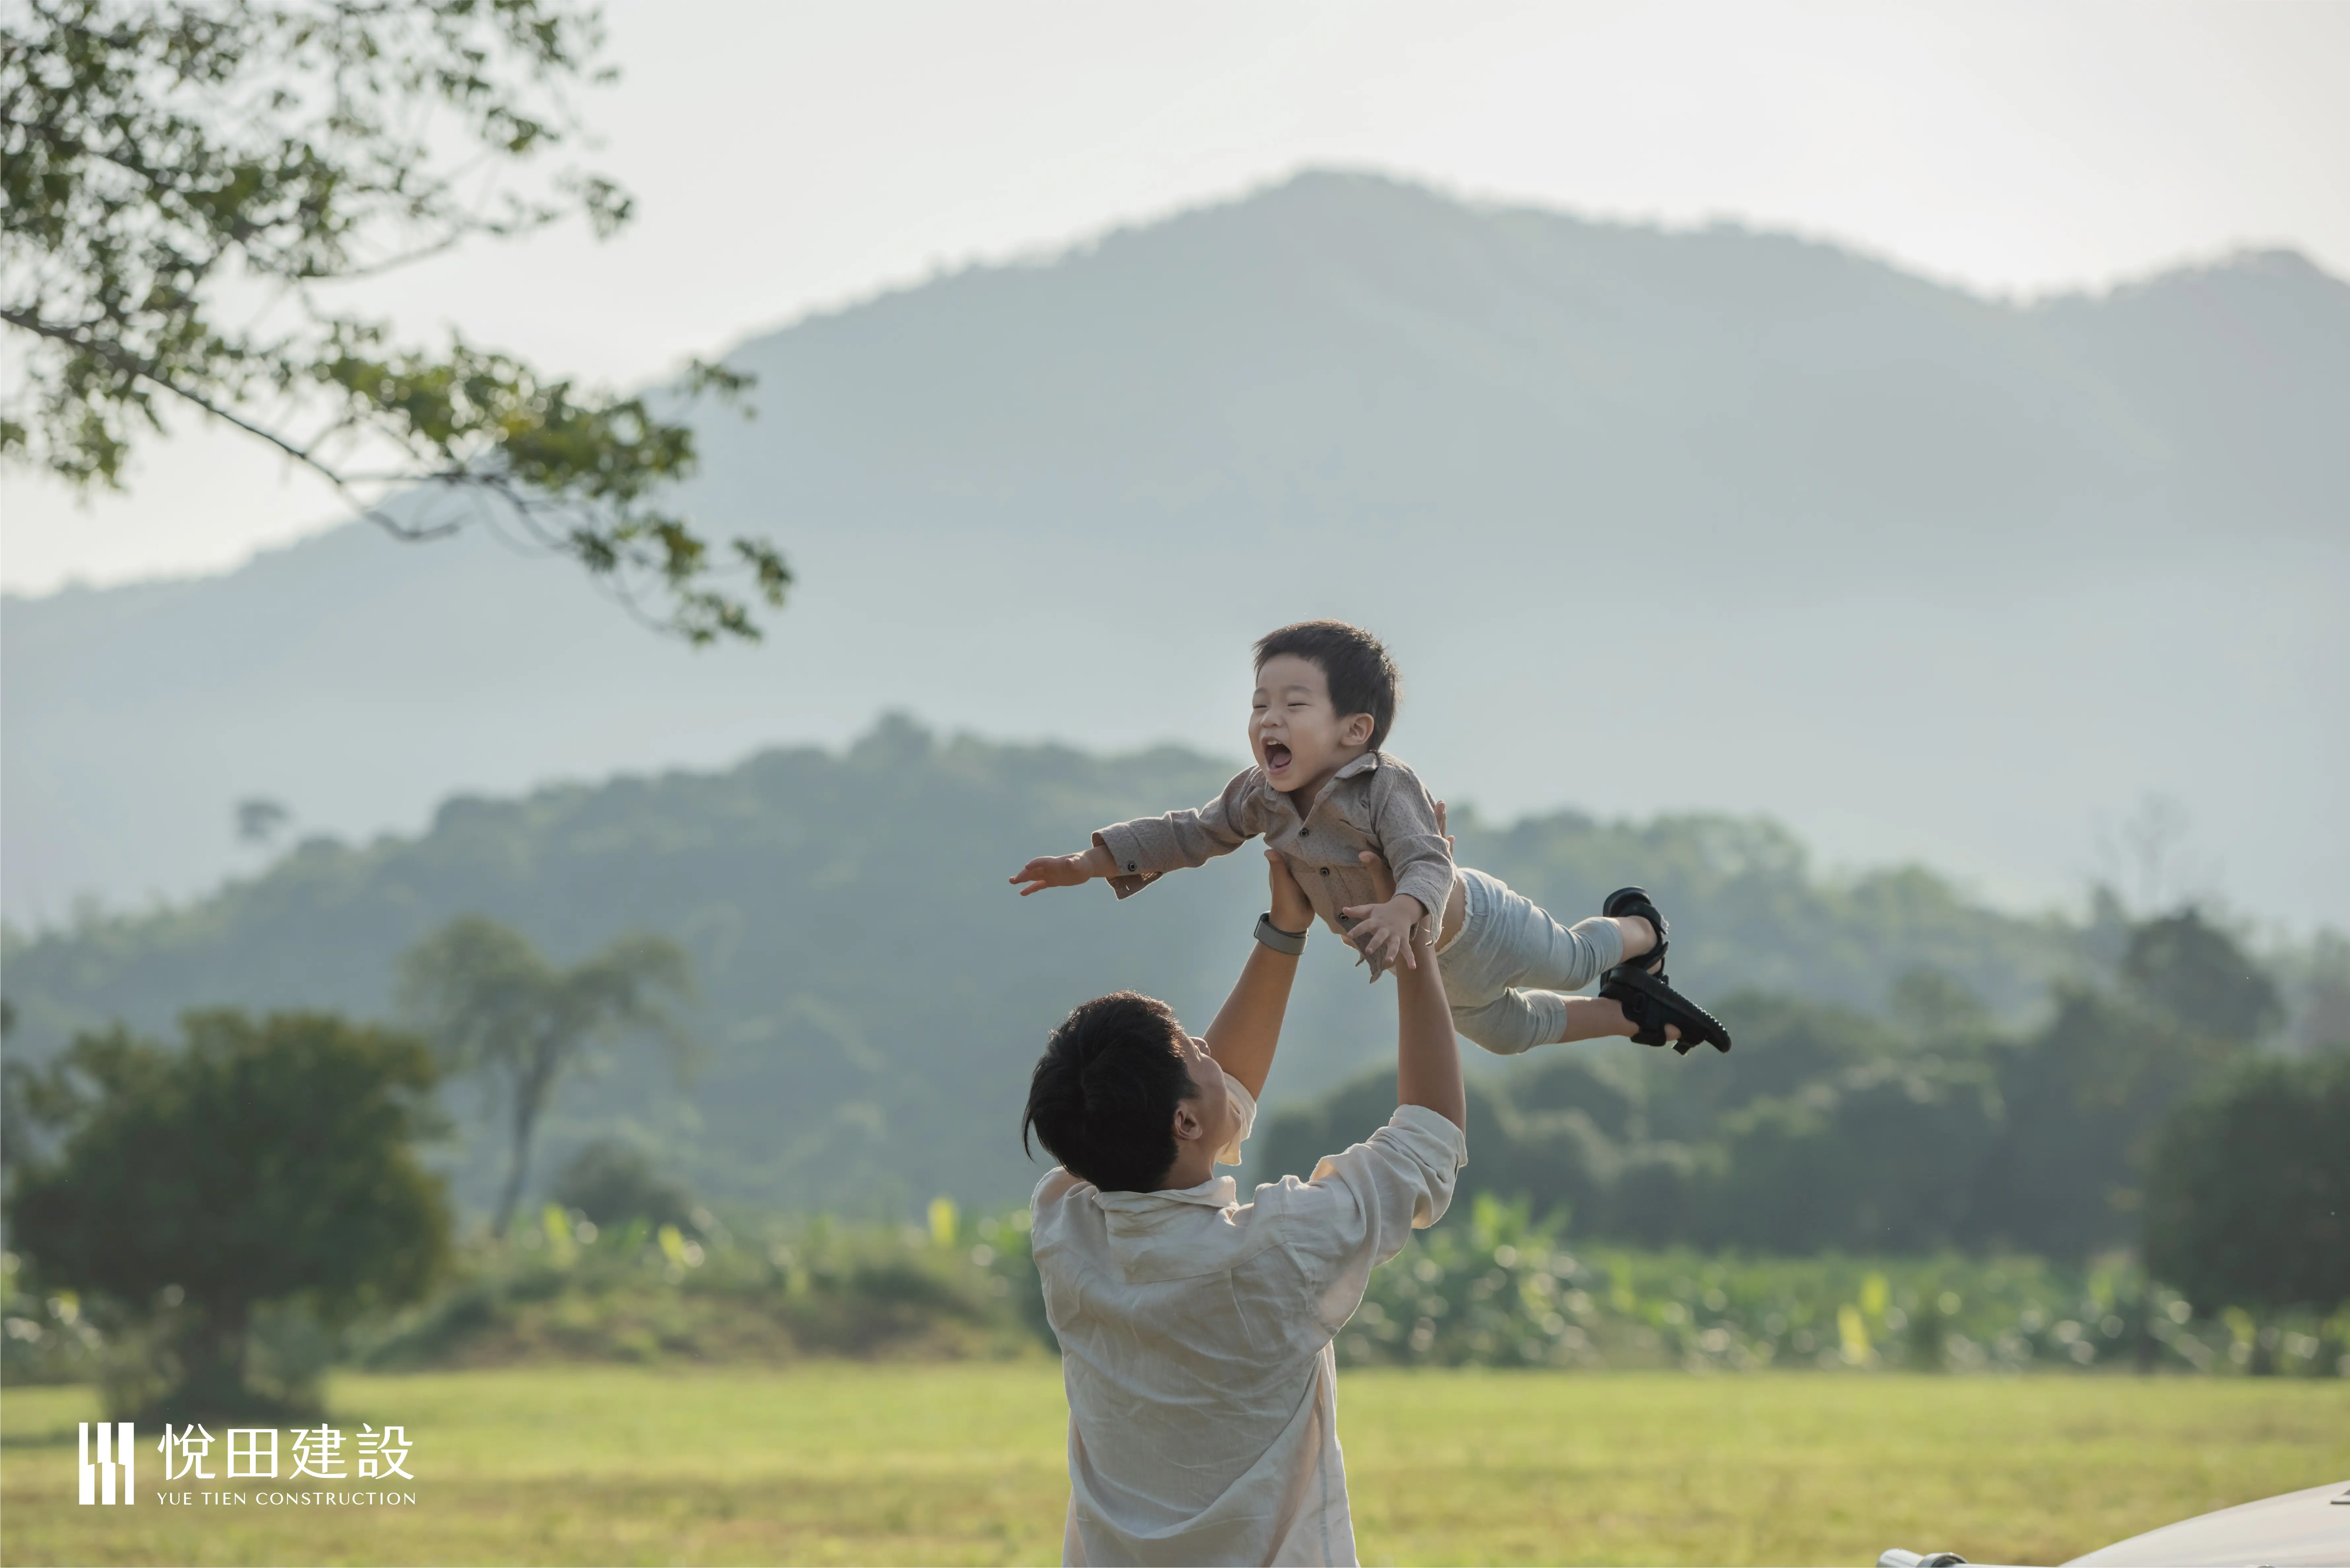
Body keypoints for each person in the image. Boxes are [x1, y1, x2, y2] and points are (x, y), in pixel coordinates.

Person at [1023, 848, 1463, 1565]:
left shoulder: (1065, 1229)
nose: (1207, 1048)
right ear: (1184, 1123)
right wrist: (1415, 920)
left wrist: (1284, 930)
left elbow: (1207, 1104)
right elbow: (1429, 1140)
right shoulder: (1273, 1252)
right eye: (1192, 1048)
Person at [1011, 619, 1730, 1057]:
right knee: (1507, 1034)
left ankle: (1640, 930)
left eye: (1295, 704)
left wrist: (1400, 911)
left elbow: (1424, 858)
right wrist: (1090, 861)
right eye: (1260, 702)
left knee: (1572, 961)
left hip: (1477, 924)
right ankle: (1634, 1014)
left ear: (1354, 730)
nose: (1269, 718)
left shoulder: (1384, 785)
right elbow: (1192, 832)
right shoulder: (1261, 795)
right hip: (1426, 969)